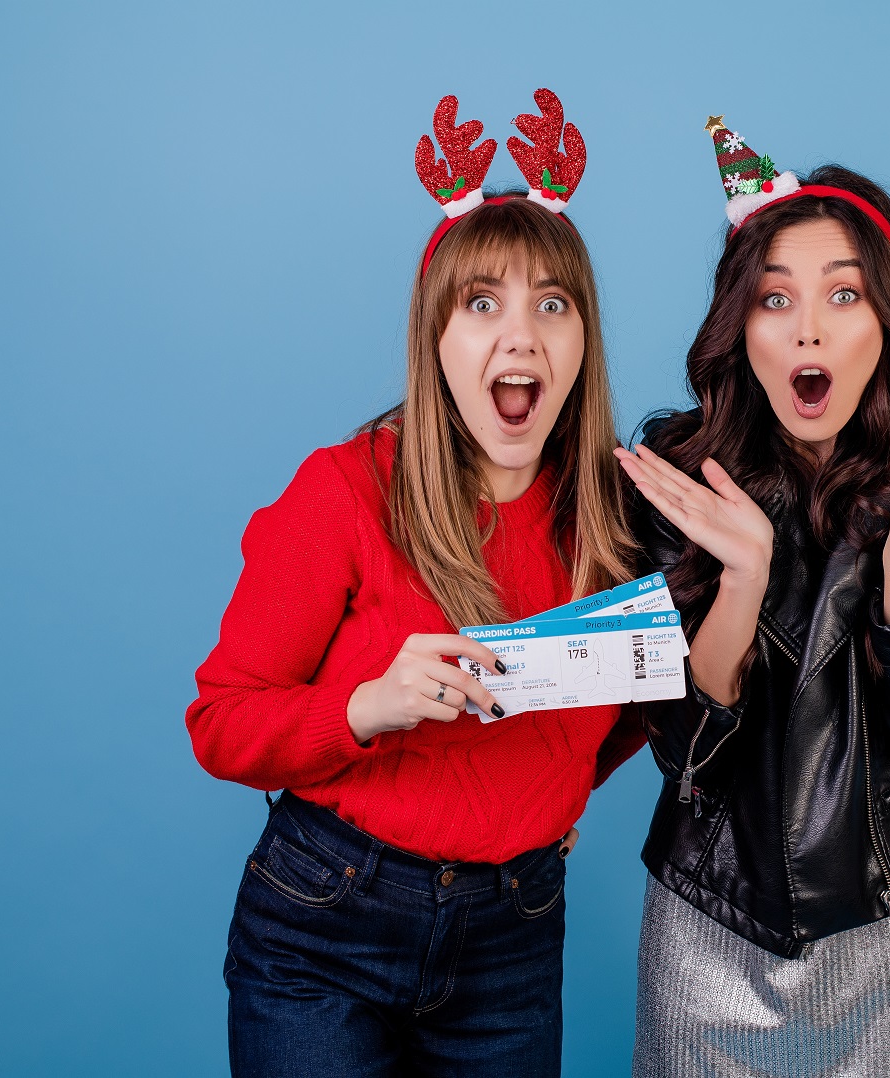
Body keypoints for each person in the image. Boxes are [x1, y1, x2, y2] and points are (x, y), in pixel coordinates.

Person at [186, 91, 642, 1077]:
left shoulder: (613, 515)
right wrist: (365, 706)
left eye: (550, 305)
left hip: (513, 942)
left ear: (581, 342)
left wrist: (551, 794)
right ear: (436, 337)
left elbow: (636, 699)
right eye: (483, 303)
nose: (519, 337)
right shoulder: (344, 490)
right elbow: (219, 724)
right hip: (326, 926)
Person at [617, 121, 890, 1077]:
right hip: (709, 910)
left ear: (886, 323)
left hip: (887, 911)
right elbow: (683, 755)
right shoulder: (678, 477)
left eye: (841, 294)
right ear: (742, 326)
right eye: (776, 299)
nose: (808, 327)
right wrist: (741, 579)